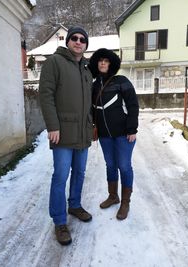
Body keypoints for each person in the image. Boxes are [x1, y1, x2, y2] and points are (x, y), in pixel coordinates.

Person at [39, 26, 93, 246]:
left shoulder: (87, 69)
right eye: (74, 38)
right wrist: (52, 126)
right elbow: (46, 95)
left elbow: (89, 103)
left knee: (79, 172)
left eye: (82, 39)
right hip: (62, 133)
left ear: (86, 44)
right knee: (60, 176)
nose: (78, 42)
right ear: (68, 41)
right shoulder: (55, 62)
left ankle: (75, 205)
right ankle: (60, 221)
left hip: (83, 132)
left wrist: (93, 126)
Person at [89, 48, 139, 220]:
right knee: (110, 165)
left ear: (111, 63)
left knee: (124, 166)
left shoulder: (121, 81)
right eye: (100, 60)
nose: (103, 63)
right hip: (104, 135)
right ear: (96, 63)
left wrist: (132, 128)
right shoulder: (94, 85)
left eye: (106, 60)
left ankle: (125, 201)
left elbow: (133, 105)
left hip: (124, 134)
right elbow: (90, 109)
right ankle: (113, 196)